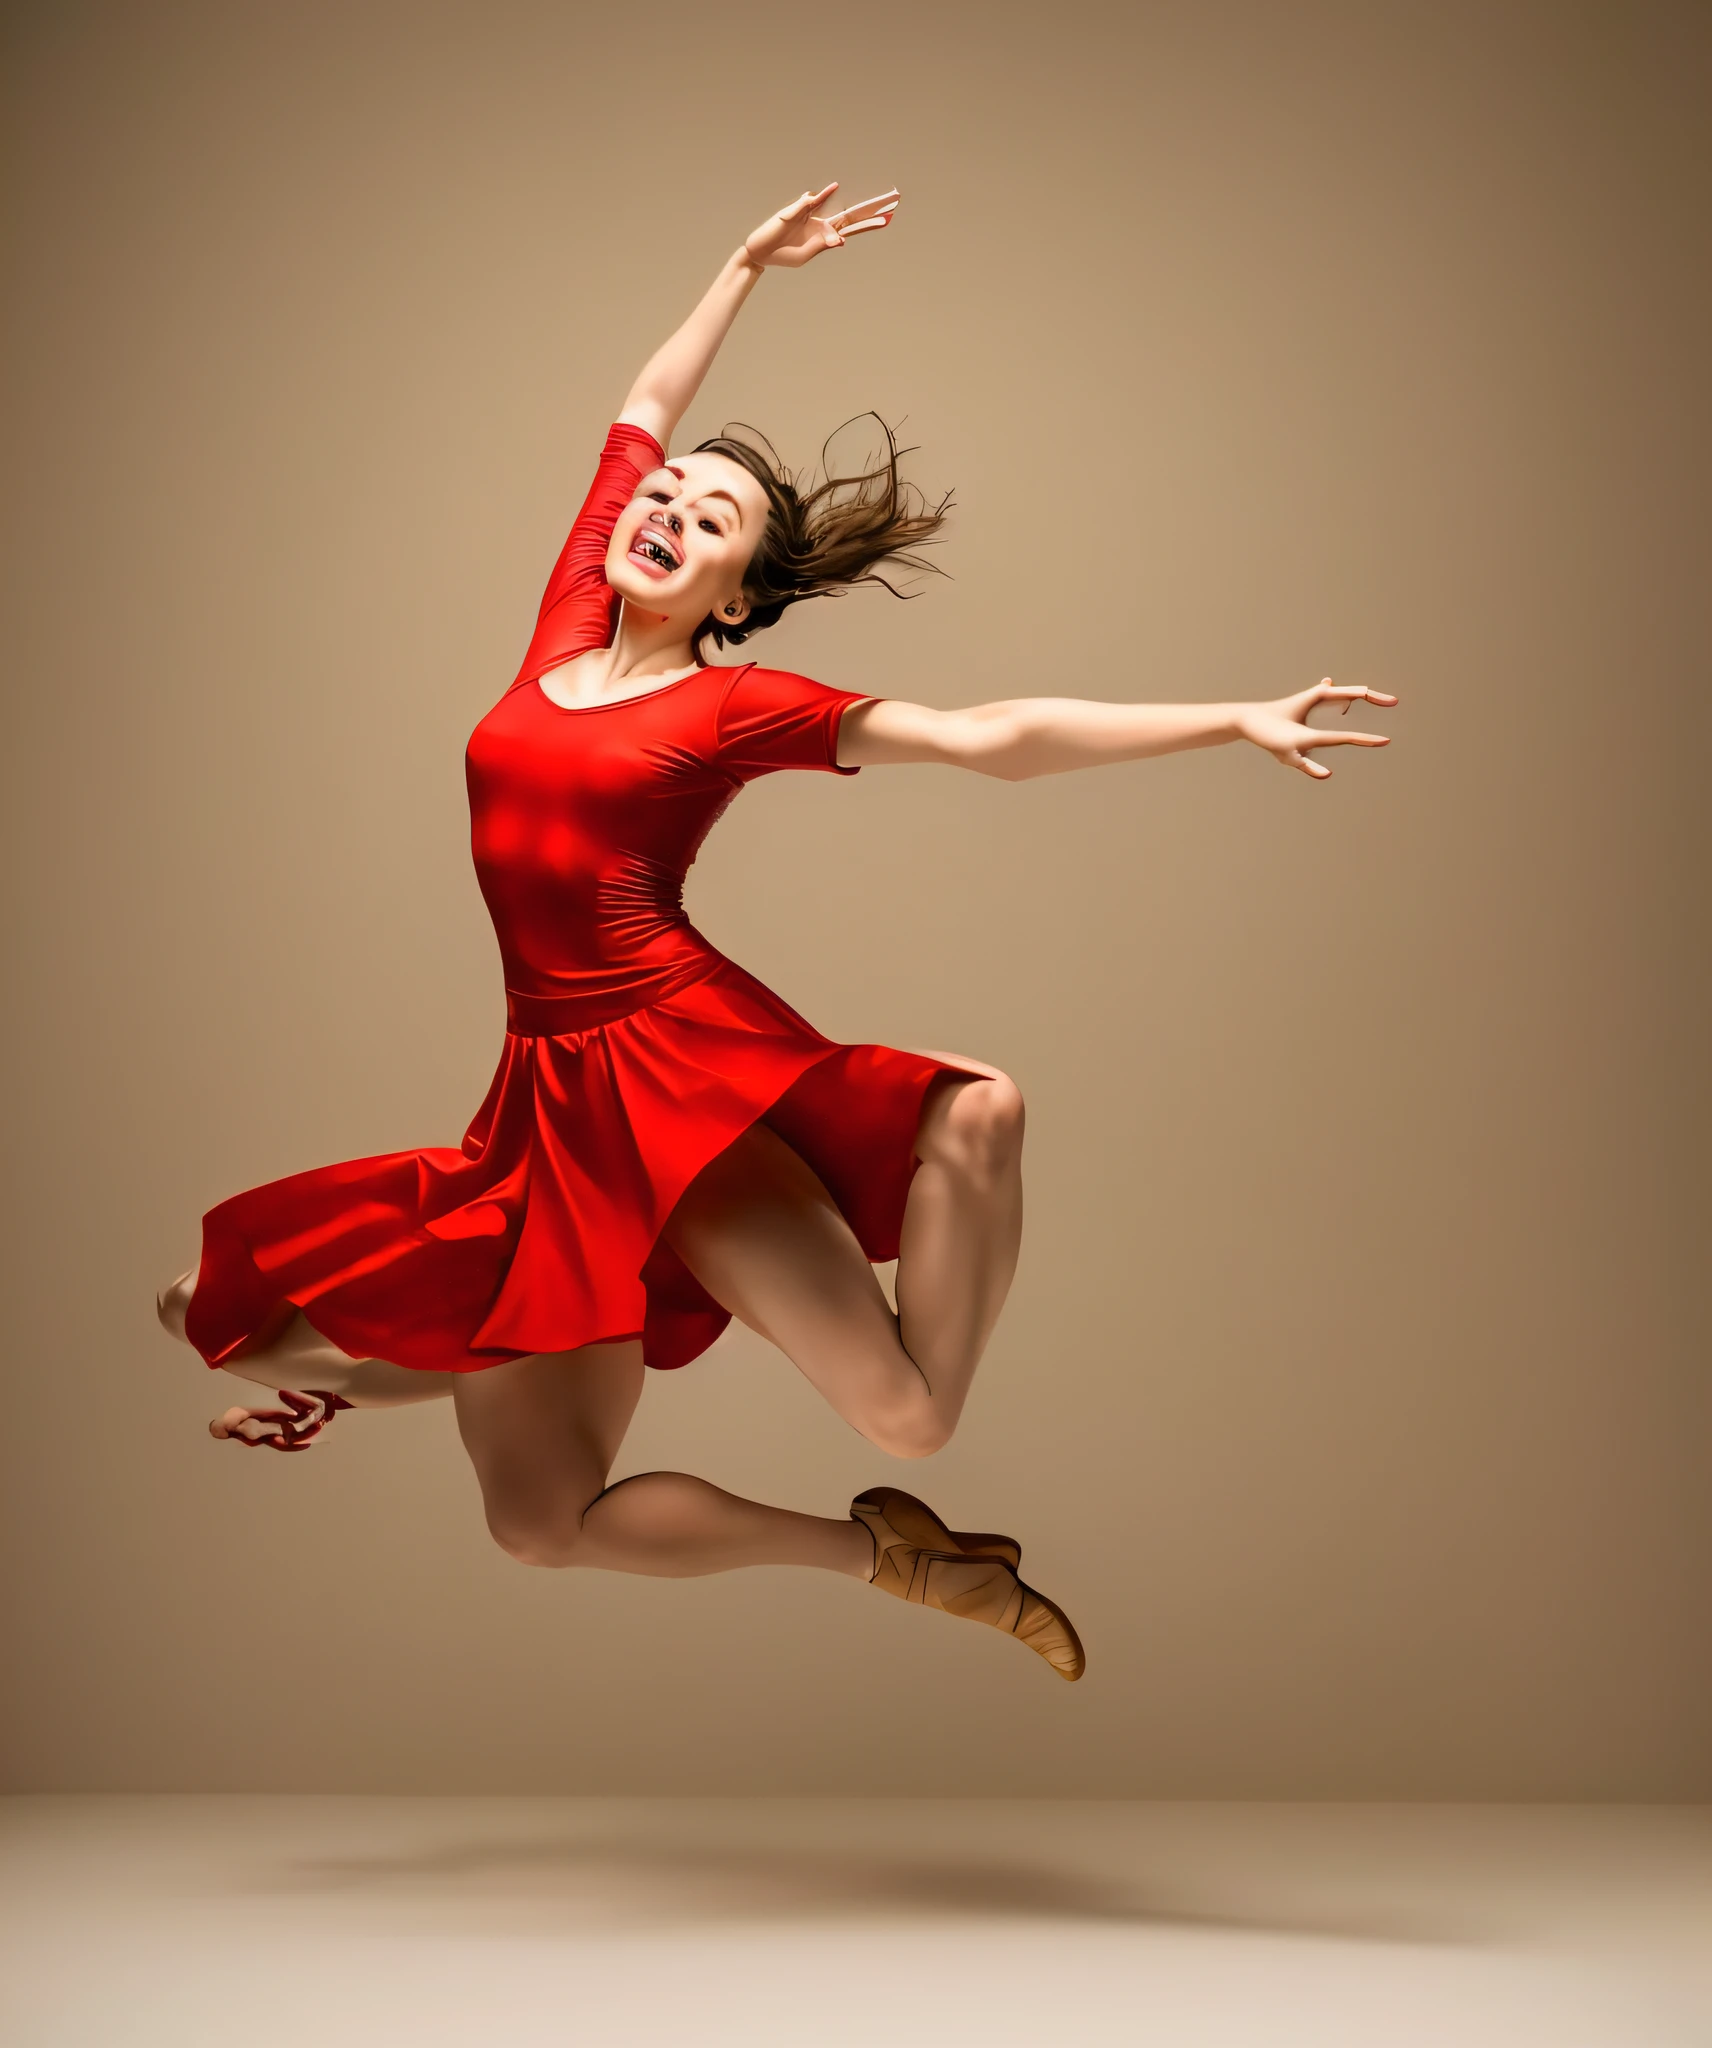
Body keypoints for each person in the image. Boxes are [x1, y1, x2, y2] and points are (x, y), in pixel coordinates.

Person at [157, 183, 1395, 1683]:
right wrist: (743, 265)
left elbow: (984, 732)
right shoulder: (563, 625)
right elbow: (646, 398)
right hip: (546, 1113)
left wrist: (1229, 720)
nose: (666, 513)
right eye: (659, 498)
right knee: (538, 1521)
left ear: (742, 594)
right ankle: (894, 1558)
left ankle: (965, 1126)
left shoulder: (730, 707)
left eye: (711, 519)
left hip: (673, 1082)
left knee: (912, 1411)